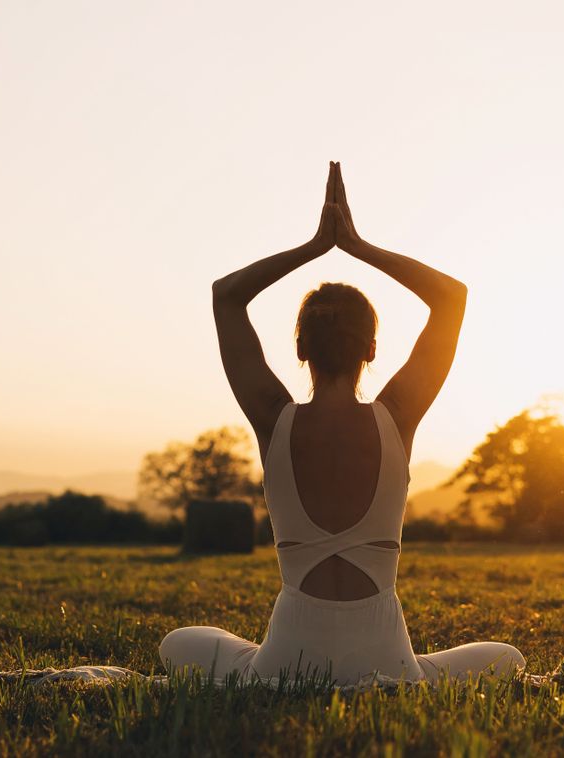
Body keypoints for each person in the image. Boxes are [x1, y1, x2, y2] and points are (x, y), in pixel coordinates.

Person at [159, 162, 525, 687]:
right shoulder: (397, 418)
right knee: (506, 657)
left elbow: (227, 295)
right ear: (372, 350)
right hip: (385, 660)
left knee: (179, 644)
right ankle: (401, 673)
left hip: (286, 661)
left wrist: (315, 246)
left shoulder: (273, 417)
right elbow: (451, 297)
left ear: (300, 347)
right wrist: (357, 245)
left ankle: (267, 669)